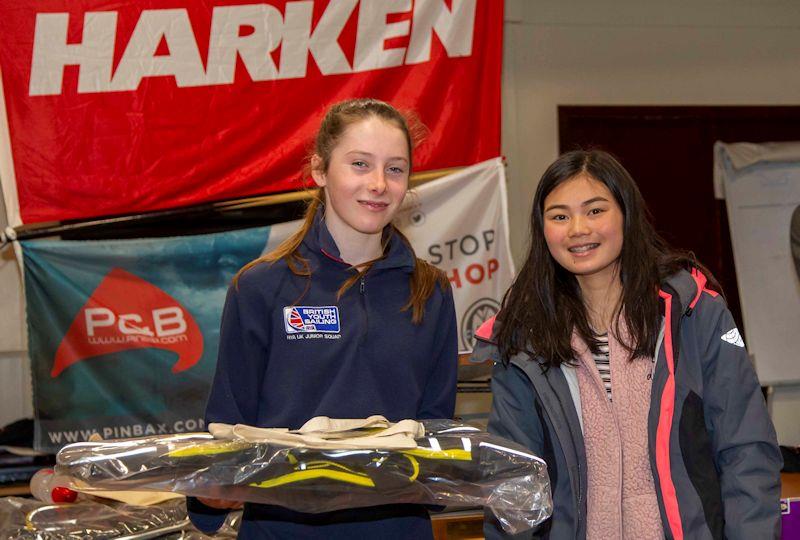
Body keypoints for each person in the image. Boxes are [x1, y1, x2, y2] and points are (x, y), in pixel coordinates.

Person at [473, 150, 782, 539]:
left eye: (595, 210)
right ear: (543, 229)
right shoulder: (525, 338)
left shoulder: (693, 312)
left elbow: (746, 448)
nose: (578, 229)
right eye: (560, 216)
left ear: (626, 214)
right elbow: (512, 484)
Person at [188, 98, 458, 539]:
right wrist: (210, 493)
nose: (378, 184)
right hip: (282, 532)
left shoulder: (430, 291)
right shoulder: (260, 287)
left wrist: (445, 476)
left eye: (395, 169)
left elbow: (437, 433)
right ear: (319, 170)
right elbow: (225, 427)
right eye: (359, 164)